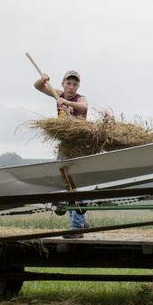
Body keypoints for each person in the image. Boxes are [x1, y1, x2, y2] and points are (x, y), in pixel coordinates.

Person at [33, 69, 90, 233]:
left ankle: (76, 227)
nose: (71, 87)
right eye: (68, 83)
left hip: (78, 145)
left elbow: (84, 106)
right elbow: (38, 87)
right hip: (64, 145)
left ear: (78, 86)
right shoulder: (58, 93)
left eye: (74, 84)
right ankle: (81, 220)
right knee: (66, 183)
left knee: (76, 185)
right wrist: (42, 79)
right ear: (63, 84)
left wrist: (68, 103)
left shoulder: (80, 98)